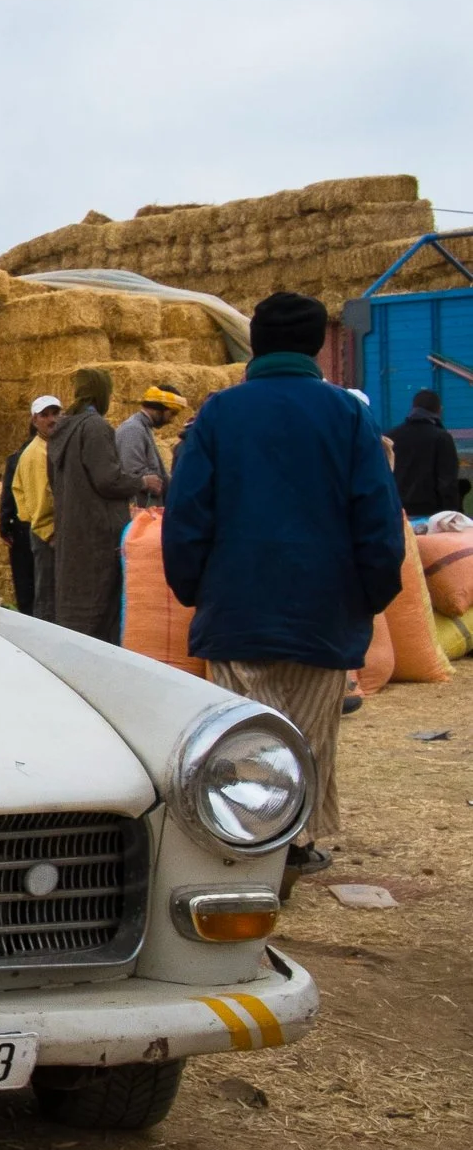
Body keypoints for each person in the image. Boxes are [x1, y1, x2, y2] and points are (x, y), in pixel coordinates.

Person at [163, 293, 402, 881]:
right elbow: (377, 516)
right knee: (310, 731)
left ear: (256, 343)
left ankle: (247, 840)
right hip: (324, 607)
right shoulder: (347, 414)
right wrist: (370, 594)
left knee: (248, 732)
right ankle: (293, 845)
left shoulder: (221, 413)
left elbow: (187, 513)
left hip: (237, 603)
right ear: (317, 345)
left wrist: (195, 587)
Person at [47, 368, 163, 642]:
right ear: (102, 393)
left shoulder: (62, 430)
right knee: (101, 607)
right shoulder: (94, 427)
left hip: (73, 531)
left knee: (76, 605)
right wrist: (141, 482)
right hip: (99, 533)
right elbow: (107, 480)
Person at [3, 396, 62, 616]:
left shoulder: (51, 448)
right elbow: (40, 503)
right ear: (34, 420)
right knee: (47, 599)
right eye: (45, 415)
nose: (52, 420)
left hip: (45, 532)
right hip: (45, 534)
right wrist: (51, 535)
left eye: (56, 413)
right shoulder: (36, 455)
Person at [387, 388, 463, 520]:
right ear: (439, 410)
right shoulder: (441, 438)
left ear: (413, 408)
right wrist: (452, 514)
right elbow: (447, 482)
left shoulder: (391, 436)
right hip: (431, 515)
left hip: (397, 513)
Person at [115, 384, 186, 509]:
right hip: (138, 512)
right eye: (172, 414)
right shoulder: (133, 430)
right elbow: (131, 473)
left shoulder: (143, 428)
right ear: (159, 409)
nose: (172, 420)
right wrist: (153, 482)